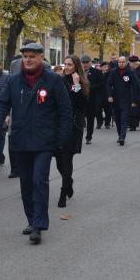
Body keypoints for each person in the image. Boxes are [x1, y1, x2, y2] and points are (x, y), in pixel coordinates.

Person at [0, 42, 72, 244]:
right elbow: (1, 104)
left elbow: (65, 110)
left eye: (32, 56)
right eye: (25, 56)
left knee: (39, 180)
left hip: (45, 141)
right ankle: (31, 219)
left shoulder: (52, 80)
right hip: (20, 140)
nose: (28, 60)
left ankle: (39, 225)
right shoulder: (14, 80)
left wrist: (62, 139)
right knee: (26, 183)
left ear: (41, 58)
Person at [55, 55, 88, 208]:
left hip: (74, 125)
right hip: (59, 125)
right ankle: (68, 181)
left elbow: (81, 104)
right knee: (59, 162)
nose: (66, 67)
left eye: (69, 64)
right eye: (65, 64)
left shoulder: (81, 82)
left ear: (76, 67)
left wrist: (76, 85)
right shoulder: (59, 81)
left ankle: (63, 191)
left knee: (67, 158)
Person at [107, 56, 139, 146]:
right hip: (115, 99)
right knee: (117, 119)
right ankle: (119, 134)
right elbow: (108, 84)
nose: (121, 63)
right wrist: (109, 95)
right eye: (120, 62)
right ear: (118, 63)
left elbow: (135, 87)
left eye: (123, 62)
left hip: (126, 99)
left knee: (124, 119)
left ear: (126, 62)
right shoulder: (113, 72)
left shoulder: (130, 72)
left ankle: (122, 137)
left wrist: (134, 100)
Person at [82, 55, 104, 145]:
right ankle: (78, 136)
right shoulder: (78, 72)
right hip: (80, 99)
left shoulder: (97, 72)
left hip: (92, 99)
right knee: (79, 119)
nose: (85, 64)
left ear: (90, 62)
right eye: (84, 63)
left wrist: (89, 88)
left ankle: (88, 136)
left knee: (90, 119)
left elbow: (101, 84)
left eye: (87, 62)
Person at [128, 55, 140, 131]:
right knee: (132, 109)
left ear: (135, 63)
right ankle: (133, 125)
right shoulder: (129, 70)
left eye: (131, 63)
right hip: (131, 92)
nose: (129, 64)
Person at [98, 62, 113, 129]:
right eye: (104, 67)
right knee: (98, 110)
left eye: (107, 67)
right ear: (101, 67)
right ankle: (99, 122)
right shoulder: (98, 74)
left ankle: (107, 123)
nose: (106, 68)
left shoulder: (110, 74)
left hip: (108, 94)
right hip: (99, 94)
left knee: (108, 110)